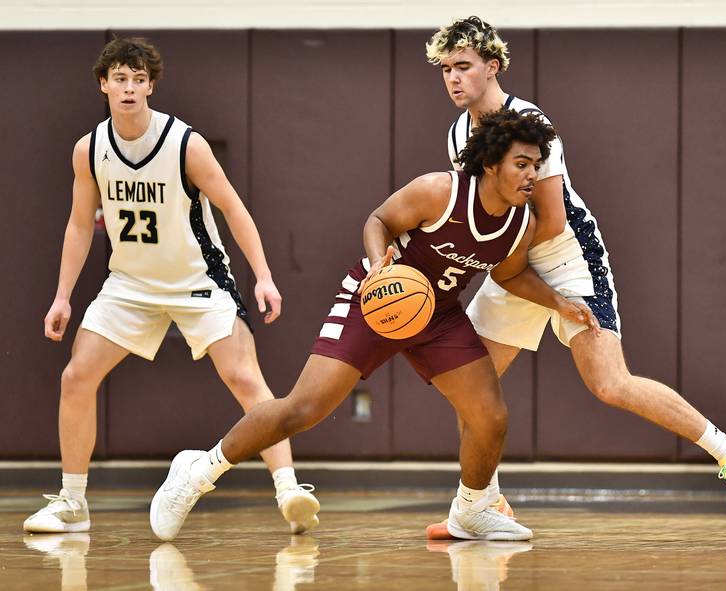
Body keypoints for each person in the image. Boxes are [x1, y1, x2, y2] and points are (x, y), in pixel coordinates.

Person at [148, 109, 596, 542]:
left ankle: (473, 510)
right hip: (376, 299)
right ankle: (197, 472)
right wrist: (379, 263)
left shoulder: (520, 223)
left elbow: (509, 273)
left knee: (490, 415)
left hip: (436, 314)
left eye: (536, 165)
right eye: (521, 164)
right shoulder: (438, 191)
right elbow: (378, 220)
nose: (532, 174)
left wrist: (559, 302)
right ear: (491, 164)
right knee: (302, 410)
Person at [423, 16, 726, 539]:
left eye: (464, 66)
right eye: (446, 68)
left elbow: (553, 219)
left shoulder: (529, 121)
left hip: (564, 256)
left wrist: (501, 264)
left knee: (610, 383)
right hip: (512, 259)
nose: (453, 78)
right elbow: (480, 215)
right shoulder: (456, 134)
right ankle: (482, 503)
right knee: (470, 385)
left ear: (493, 66)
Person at [23, 37, 319, 536]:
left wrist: (264, 275)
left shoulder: (185, 142)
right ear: (103, 84)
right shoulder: (90, 149)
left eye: (139, 79)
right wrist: (62, 295)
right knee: (76, 378)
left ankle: (289, 490)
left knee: (246, 378)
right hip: (130, 284)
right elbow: (79, 225)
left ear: (152, 86)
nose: (130, 88)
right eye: (120, 78)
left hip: (198, 280)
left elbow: (233, 208)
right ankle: (73, 503)